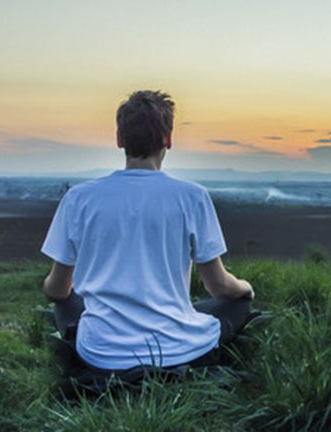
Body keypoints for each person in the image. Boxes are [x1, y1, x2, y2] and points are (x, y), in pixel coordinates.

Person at [41, 90, 254, 372]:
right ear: (168, 140)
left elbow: (56, 290)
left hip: (102, 353)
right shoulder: (193, 197)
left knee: (65, 303)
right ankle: (179, 341)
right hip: (177, 349)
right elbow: (219, 287)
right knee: (237, 305)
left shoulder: (79, 198)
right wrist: (246, 288)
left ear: (120, 140)